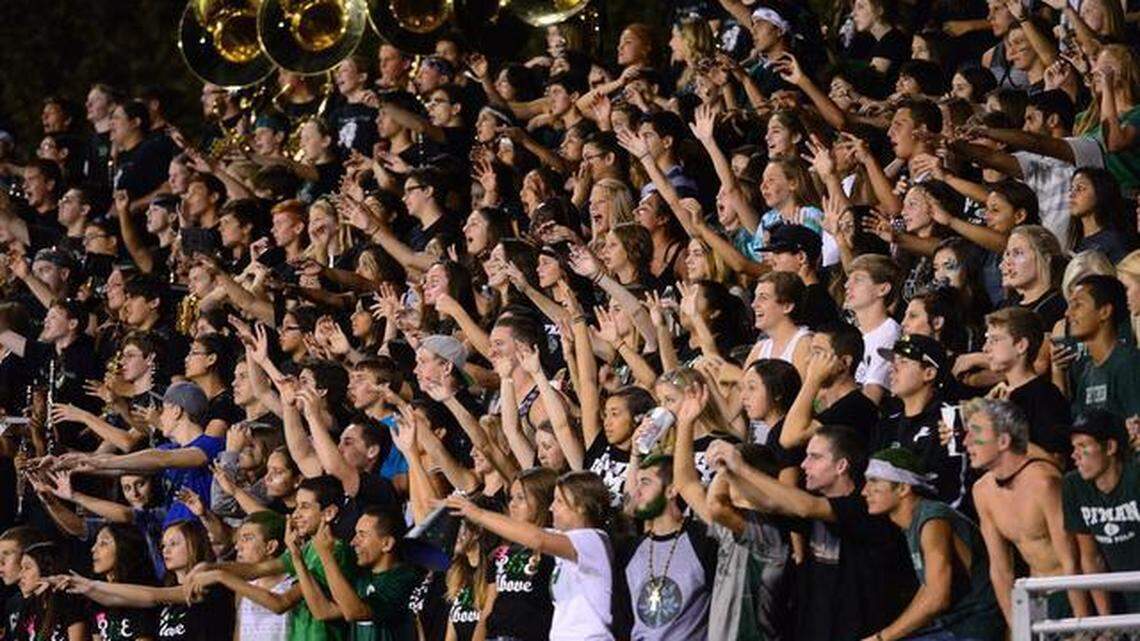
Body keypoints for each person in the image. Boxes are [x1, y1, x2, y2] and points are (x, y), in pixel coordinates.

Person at [707, 426, 916, 641]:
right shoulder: (810, 506)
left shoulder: (866, 508)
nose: (804, 465)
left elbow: (807, 507)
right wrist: (729, 473)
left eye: (814, 457)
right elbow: (769, 502)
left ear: (841, 465)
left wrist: (741, 467)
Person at [445, 472, 616, 641]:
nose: (551, 507)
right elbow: (527, 531)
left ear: (582, 506)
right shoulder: (562, 540)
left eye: (559, 501)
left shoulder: (592, 540)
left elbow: (538, 539)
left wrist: (478, 514)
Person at [961, 398, 1088, 623]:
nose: (966, 442)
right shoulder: (982, 491)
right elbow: (1000, 569)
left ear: (1003, 441)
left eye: (975, 432)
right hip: (1033, 597)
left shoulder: (1044, 482)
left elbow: (1072, 559)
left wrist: (1082, 624)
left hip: (1069, 594)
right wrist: (1016, 624)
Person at [862, 447, 1005, 641]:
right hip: (955, 624)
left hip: (972, 626)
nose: (864, 491)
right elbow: (928, 588)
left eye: (874, 481)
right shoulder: (917, 521)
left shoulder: (933, 521)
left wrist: (882, 638)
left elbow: (937, 597)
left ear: (904, 488)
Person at [1062, 410, 1140, 614]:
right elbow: (1091, 558)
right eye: (1073, 447)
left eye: (1083, 446)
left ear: (1110, 447)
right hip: (1120, 600)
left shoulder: (1136, 478)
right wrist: (1106, 623)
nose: (1074, 455)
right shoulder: (1074, 486)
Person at [1054, 275, 1140, 421]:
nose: (1067, 313)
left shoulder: (1129, 364)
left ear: (1104, 312)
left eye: (1077, 305)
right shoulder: (1088, 371)